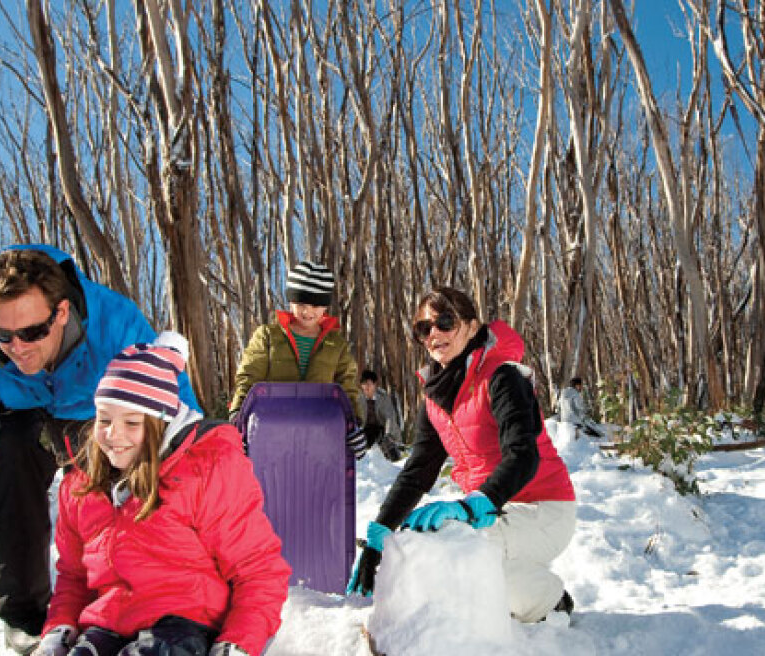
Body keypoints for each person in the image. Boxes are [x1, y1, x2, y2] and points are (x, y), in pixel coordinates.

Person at [0, 246, 200, 654]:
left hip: (93, 410)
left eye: (31, 333)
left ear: (61, 313)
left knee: (122, 479)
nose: (17, 348)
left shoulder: (114, 324)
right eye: (3, 336)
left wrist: (205, 466)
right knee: (9, 457)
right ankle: (24, 616)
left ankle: (134, 599)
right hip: (19, 412)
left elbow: (174, 406)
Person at [33, 333, 290, 656]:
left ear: (160, 426)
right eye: (104, 419)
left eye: (131, 422)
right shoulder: (82, 489)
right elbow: (73, 576)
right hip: (108, 624)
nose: (113, 434)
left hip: (184, 623)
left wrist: (238, 642)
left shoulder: (205, 473)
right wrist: (59, 627)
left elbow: (257, 569)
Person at [346, 286, 577, 623]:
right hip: (494, 511)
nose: (434, 334)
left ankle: (548, 600)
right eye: (424, 328)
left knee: (460, 552)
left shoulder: (503, 376)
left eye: (445, 322)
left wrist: (473, 505)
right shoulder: (435, 397)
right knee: (428, 546)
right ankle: (515, 587)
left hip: (543, 508)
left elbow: (523, 455)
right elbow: (418, 471)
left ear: (471, 327)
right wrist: (380, 534)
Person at [227, 261, 366, 457]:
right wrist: (238, 417)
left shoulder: (336, 345)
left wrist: (354, 424)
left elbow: (347, 388)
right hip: (271, 431)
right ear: (291, 301)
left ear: (325, 306)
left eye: (315, 305)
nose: (307, 312)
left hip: (320, 435)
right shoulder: (268, 336)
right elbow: (248, 378)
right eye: (301, 304)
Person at [360, 369, 403, 461]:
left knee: (387, 444)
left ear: (375, 385)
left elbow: (389, 418)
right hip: (365, 430)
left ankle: (395, 458)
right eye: (364, 384)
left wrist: (388, 434)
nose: (366, 387)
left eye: (369, 384)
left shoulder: (383, 397)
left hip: (381, 429)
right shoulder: (359, 398)